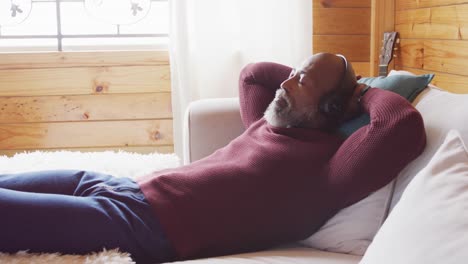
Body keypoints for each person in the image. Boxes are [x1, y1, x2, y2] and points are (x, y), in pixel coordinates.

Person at [0, 53, 426, 263]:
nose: (288, 80)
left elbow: (399, 126)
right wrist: (306, 81)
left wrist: (362, 92)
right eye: (295, 71)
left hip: (137, 225)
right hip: (122, 187)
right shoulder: (275, 121)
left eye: (302, 80)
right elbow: (254, 73)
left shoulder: (328, 171)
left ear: (332, 109)